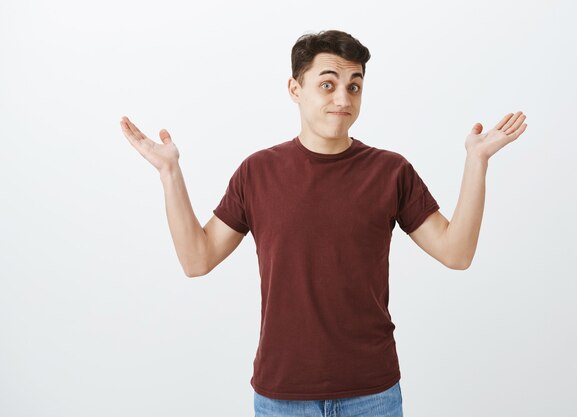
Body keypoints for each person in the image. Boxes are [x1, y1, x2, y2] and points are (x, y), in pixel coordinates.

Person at [120, 29, 527, 417]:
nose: (343, 98)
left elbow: (456, 253)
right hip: (283, 396)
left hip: (373, 394)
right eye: (328, 84)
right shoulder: (257, 172)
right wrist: (169, 173)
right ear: (295, 90)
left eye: (354, 86)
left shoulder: (390, 172)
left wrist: (477, 162)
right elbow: (197, 259)